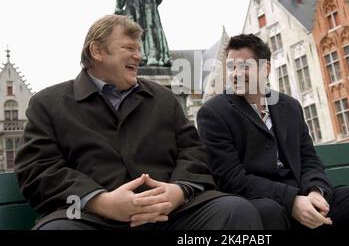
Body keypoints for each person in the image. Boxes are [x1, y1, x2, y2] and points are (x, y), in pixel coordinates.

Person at [14, 15, 263, 230]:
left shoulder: (162, 97)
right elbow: (38, 169)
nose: (139, 56)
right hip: (91, 217)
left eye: (139, 49)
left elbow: (193, 150)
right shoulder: (48, 103)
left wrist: (178, 191)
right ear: (97, 51)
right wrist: (101, 201)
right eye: (128, 48)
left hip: (172, 215)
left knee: (236, 212)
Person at [197, 34, 349, 230]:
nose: (235, 73)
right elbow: (232, 179)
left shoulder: (289, 106)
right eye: (231, 67)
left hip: (305, 195)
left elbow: (309, 159)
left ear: (265, 68)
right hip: (261, 202)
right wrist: (292, 200)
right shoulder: (214, 113)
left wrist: (316, 191)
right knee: (269, 213)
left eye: (244, 66)